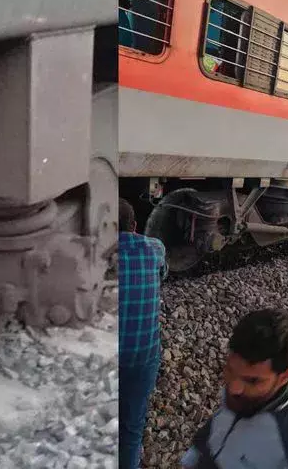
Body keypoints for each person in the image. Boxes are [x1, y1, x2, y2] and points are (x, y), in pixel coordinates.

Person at [180, 310, 288, 468]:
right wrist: (193, 457)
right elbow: (219, 423)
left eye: (253, 381)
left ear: (285, 377)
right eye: (230, 370)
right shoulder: (245, 393)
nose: (234, 388)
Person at [119, 198, 168, 469]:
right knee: (132, 426)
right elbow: (163, 274)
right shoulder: (155, 249)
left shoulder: (92, 253)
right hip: (142, 357)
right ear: (135, 226)